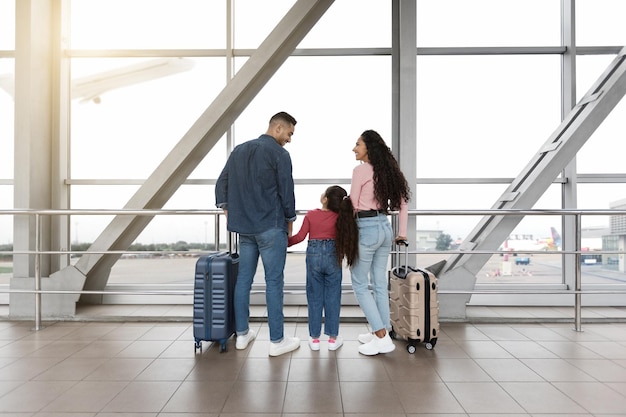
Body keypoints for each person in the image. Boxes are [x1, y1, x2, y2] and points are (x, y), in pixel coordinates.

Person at [215, 111, 301, 357]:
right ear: (277, 128)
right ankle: (277, 341)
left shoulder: (239, 150)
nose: (289, 139)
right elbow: (286, 190)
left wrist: (227, 210)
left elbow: (222, 183)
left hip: (245, 227)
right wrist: (290, 219)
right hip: (271, 226)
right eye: (289, 133)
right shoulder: (279, 154)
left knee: (244, 280)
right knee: (273, 282)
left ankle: (242, 335)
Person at [349, 129, 411, 356]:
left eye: (357, 144)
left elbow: (354, 204)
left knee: (358, 283)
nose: (354, 148)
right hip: (385, 228)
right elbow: (403, 204)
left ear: (368, 147)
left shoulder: (360, 170)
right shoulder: (388, 172)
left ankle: (381, 336)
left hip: (366, 229)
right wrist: (401, 232)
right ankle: (382, 329)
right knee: (377, 284)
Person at [288, 185, 359, 351]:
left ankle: (314, 339)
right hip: (333, 256)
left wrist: (284, 242)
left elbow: (299, 237)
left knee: (314, 297)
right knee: (333, 297)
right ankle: (333, 339)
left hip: (314, 257)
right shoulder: (341, 218)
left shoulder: (312, 215)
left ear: (325, 199)